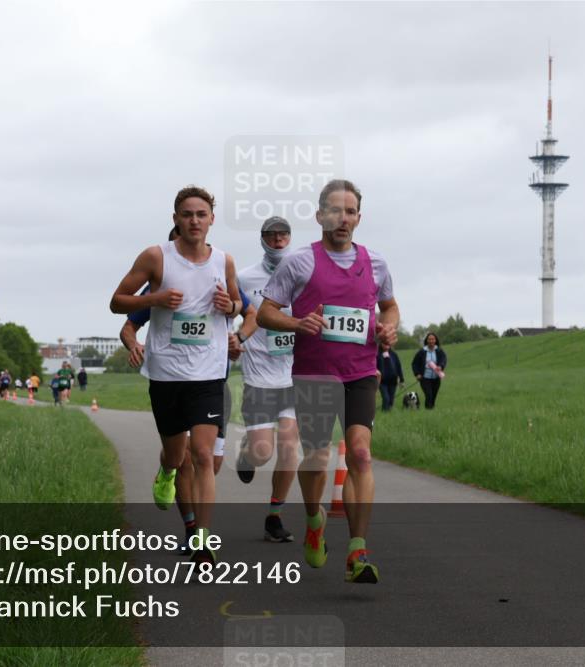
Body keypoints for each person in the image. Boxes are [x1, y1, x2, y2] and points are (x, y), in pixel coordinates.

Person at [257, 179, 399, 584]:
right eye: (335, 211)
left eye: (350, 211)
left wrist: (388, 327)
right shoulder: (299, 263)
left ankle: (358, 550)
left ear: (359, 217)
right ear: (320, 216)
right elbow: (266, 312)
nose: (342, 218)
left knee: (360, 454)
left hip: (360, 372)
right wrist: (297, 323)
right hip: (314, 374)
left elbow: (389, 306)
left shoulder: (375, 263)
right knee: (317, 458)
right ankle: (313, 518)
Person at [110, 186, 241, 566]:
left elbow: (237, 305)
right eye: (187, 214)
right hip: (167, 373)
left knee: (203, 454)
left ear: (212, 219)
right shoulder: (156, 257)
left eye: (201, 214)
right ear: (176, 219)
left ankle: (202, 539)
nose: (194, 221)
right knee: (176, 454)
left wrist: (230, 305)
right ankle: (166, 471)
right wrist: (154, 298)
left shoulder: (224, 261)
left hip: (208, 373)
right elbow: (117, 301)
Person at [234, 215, 300, 544]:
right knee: (263, 452)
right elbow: (232, 312)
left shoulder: (304, 274)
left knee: (289, 448)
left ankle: (274, 517)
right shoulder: (245, 278)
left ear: (290, 238)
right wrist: (234, 341)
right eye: (271, 235)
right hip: (259, 376)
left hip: (293, 377)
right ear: (262, 239)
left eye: (283, 235)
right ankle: (247, 452)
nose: (277, 240)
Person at [412, 332, 447, 409]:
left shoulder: (439, 351)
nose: (431, 341)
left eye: (433, 339)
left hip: (436, 378)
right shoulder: (422, 352)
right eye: (429, 339)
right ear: (427, 340)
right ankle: (428, 410)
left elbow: (443, 359)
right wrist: (417, 374)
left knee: (433, 396)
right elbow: (414, 363)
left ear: (435, 340)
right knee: (429, 395)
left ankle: (431, 411)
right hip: (425, 378)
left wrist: (441, 366)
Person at [375, 343, 404, 411]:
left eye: (387, 344)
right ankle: (385, 411)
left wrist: (402, 380)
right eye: (384, 344)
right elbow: (374, 367)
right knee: (386, 398)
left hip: (393, 380)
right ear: (381, 344)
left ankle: (389, 411)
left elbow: (398, 367)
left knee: (391, 399)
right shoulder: (377, 355)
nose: (386, 345)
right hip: (382, 381)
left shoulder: (394, 354)